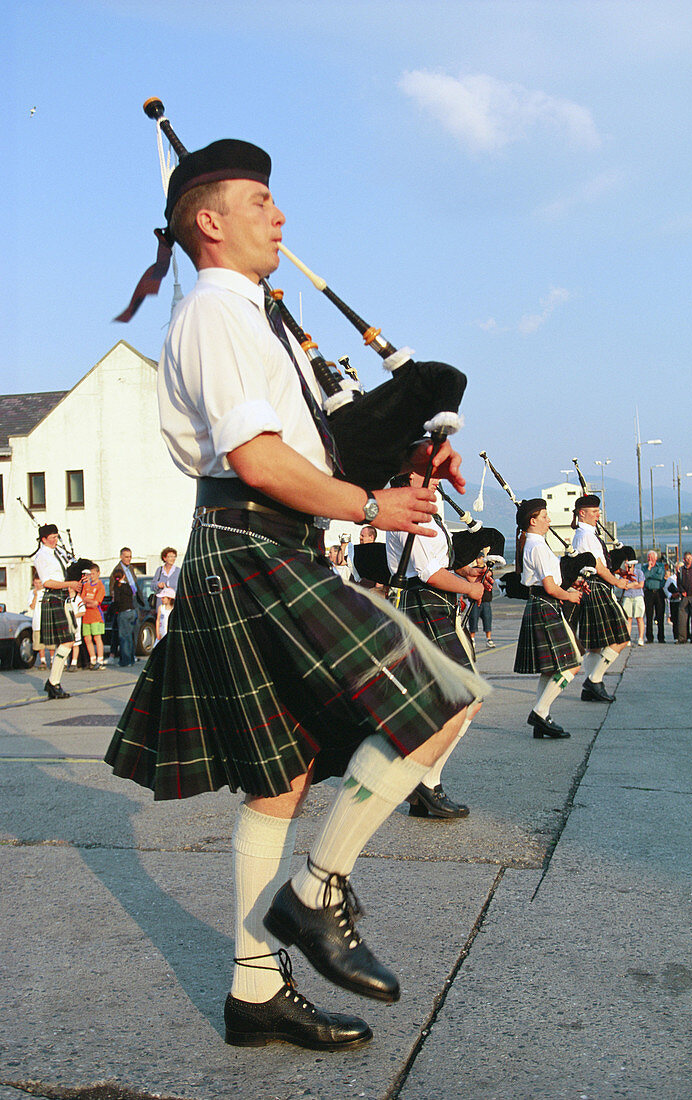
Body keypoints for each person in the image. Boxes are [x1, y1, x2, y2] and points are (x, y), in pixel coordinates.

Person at [105, 136, 487, 1051]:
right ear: (210, 220)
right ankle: (315, 898)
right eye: (261, 202)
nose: (280, 217)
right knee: (442, 701)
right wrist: (371, 505)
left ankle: (253, 993)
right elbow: (259, 460)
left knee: (279, 778)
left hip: (267, 544)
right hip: (251, 544)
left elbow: (306, 449)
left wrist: (400, 457)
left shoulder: (253, 315)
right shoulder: (214, 315)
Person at [386, 458, 485, 818]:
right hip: (428, 603)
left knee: (439, 700)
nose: (440, 473)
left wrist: (465, 572)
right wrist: (471, 588)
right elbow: (429, 573)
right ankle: (428, 783)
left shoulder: (415, 506)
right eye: (431, 468)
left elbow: (430, 564)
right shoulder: (416, 511)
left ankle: (420, 788)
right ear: (412, 474)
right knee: (465, 698)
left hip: (427, 604)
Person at [513, 499, 582, 738]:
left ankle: (542, 717)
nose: (549, 520)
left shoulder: (533, 544)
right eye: (544, 516)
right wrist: (570, 595)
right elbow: (551, 587)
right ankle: (539, 712)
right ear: (533, 520)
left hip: (540, 605)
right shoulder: (538, 547)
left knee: (549, 669)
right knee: (572, 665)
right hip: (546, 604)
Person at [570, 495, 631, 702]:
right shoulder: (586, 535)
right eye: (594, 512)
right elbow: (598, 566)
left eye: (598, 511)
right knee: (623, 634)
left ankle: (590, 687)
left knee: (596, 643)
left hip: (592, 588)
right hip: (598, 587)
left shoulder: (584, 534)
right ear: (582, 513)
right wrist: (617, 581)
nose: (598, 515)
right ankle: (594, 680)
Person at [32, 524, 80, 699]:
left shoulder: (56, 553)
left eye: (56, 537)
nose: (55, 540)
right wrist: (69, 584)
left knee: (69, 640)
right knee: (67, 641)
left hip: (62, 597)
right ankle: (53, 683)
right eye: (52, 537)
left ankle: (54, 683)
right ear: (43, 539)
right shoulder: (41, 556)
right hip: (53, 597)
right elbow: (47, 582)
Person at [110, 568, 137, 666]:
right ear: (124, 576)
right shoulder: (127, 586)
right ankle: (131, 659)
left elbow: (116, 600)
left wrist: (113, 610)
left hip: (123, 612)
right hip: (132, 611)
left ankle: (125, 661)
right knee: (129, 636)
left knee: (123, 637)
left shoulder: (117, 586)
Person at [467, 553, 495, 648]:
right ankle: (472, 639)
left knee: (487, 618)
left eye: (481, 557)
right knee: (473, 619)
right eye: (478, 558)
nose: (479, 560)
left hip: (486, 600)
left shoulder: (488, 570)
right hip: (474, 600)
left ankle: (489, 639)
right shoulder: (472, 570)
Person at [81, 563, 106, 669]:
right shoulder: (86, 585)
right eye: (90, 574)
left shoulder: (100, 586)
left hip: (96, 616)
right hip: (86, 616)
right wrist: (87, 601)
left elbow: (96, 603)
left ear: (98, 573)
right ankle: (92, 660)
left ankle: (100, 660)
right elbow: (81, 599)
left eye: (93, 574)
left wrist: (88, 601)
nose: (92, 576)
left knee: (97, 637)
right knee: (87, 638)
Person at [619, 556, 645, 645]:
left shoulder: (639, 572)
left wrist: (630, 586)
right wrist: (634, 584)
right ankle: (628, 638)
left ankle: (641, 638)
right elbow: (622, 585)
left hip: (637, 596)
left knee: (639, 618)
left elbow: (641, 585)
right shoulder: (623, 574)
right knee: (628, 618)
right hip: (627, 597)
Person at [641, 550, 665, 643]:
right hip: (648, 592)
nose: (649, 559)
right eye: (648, 557)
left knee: (660, 615)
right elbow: (643, 577)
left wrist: (649, 575)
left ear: (655, 558)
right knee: (649, 616)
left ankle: (661, 637)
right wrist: (650, 569)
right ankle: (649, 637)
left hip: (658, 592)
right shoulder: (644, 567)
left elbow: (660, 576)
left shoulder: (661, 566)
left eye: (651, 557)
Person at [27, 575, 51, 669]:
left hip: (47, 621)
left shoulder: (47, 591)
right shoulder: (32, 593)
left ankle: (52, 660)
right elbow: (32, 606)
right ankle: (43, 661)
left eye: (39, 583)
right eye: (36, 583)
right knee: (39, 643)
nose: (38, 585)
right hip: (37, 622)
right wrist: (35, 595)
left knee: (50, 643)